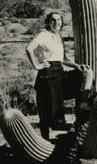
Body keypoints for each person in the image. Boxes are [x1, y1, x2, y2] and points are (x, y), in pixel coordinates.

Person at [25, 12, 91, 140]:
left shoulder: (58, 37)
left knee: (79, 78)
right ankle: (45, 140)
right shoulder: (44, 34)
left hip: (59, 71)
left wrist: (77, 66)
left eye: (59, 20)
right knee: (47, 108)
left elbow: (63, 59)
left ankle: (81, 114)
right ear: (48, 22)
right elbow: (29, 48)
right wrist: (36, 65)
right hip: (48, 73)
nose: (57, 23)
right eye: (53, 20)